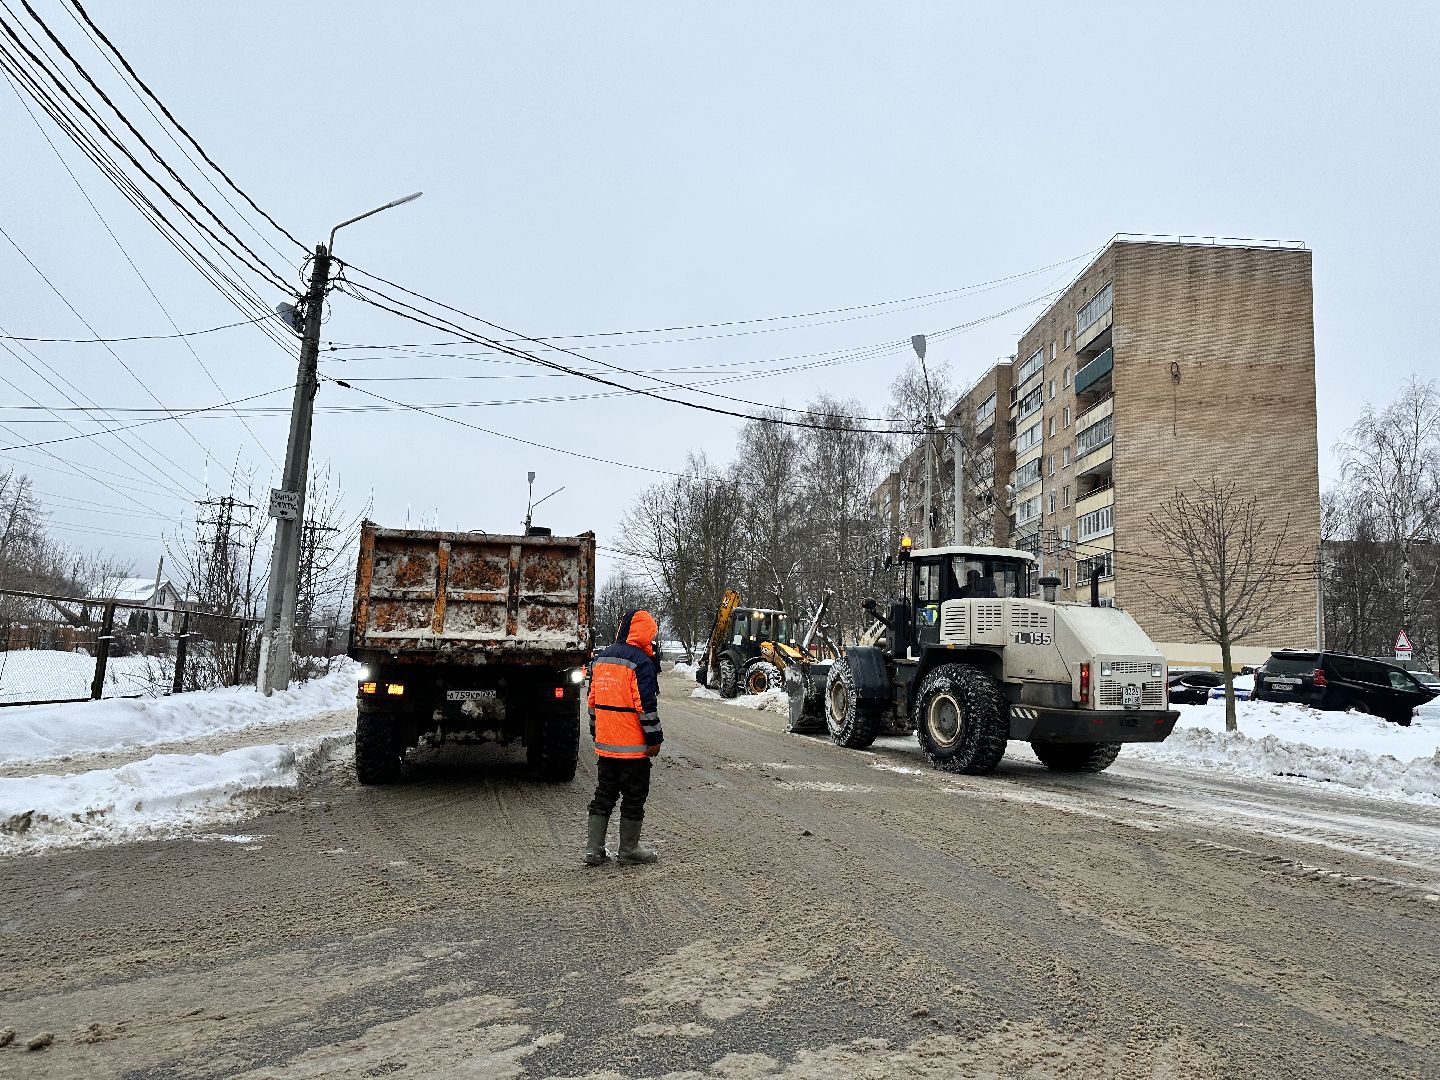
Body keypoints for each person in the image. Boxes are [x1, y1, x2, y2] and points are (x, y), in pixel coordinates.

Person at [583, 609, 663, 866]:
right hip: (633, 747)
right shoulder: (641, 662)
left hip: (606, 746)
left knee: (604, 792)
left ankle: (593, 850)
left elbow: (592, 701)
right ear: (645, 633)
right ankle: (628, 850)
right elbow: (645, 705)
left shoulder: (602, 658)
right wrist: (654, 739)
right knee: (634, 795)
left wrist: (597, 731)